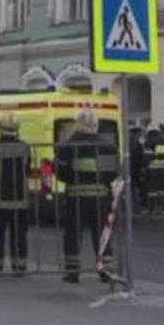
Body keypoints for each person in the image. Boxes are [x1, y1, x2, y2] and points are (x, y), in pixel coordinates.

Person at [55, 109, 118, 284]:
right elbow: (111, 173)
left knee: (73, 235)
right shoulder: (106, 145)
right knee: (102, 235)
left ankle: (73, 272)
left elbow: (61, 174)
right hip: (101, 197)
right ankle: (105, 271)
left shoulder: (67, 146)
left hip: (76, 197)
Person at [0, 113, 31, 274]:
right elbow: (28, 170)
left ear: (0, 128)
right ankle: (19, 265)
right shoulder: (25, 147)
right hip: (21, 199)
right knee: (19, 235)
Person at [143, 126, 164, 215]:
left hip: (153, 168)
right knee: (161, 190)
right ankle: (160, 209)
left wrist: (145, 166)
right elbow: (163, 155)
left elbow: (147, 156)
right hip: (163, 167)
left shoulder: (149, 141)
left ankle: (150, 210)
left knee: (151, 191)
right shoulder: (163, 140)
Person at [129, 127, 146, 215]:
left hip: (132, 169)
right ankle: (136, 209)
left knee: (132, 190)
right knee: (134, 190)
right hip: (134, 170)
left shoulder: (130, 142)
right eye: (139, 134)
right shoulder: (135, 143)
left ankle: (134, 209)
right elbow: (140, 157)